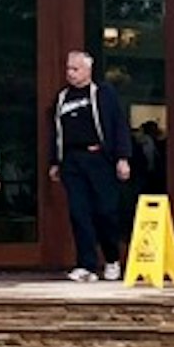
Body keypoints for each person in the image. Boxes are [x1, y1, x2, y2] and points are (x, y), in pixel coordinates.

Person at [50, 46, 134, 283]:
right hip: (72, 161)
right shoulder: (62, 97)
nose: (71, 73)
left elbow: (118, 125)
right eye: (68, 68)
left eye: (76, 68)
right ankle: (85, 264)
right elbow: (56, 131)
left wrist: (122, 157)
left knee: (105, 211)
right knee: (79, 212)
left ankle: (111, 259)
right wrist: (55, 161)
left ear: (88, 70)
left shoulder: (103, 93)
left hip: (99, 159)